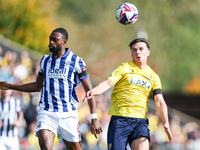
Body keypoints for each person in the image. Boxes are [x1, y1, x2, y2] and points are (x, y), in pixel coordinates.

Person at [0, 28, 102, 150]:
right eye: (50, 39)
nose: (51, 42)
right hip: (47, 113)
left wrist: (94, 118)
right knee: (45, 148)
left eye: (55, 40)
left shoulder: (76, 61)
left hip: (68, 114)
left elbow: (89, 91)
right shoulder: (45, 61)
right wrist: (10, 86)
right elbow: (38, 86)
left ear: (64, 42)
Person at [83, 38, 173, 150]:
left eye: (141, 49)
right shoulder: (124, 68)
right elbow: (108, 83)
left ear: (148, 52)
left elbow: (159, 101)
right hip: (120, 120)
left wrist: (166, 123)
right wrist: (94, 91)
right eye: (134, 50)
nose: (138, 52)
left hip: (140, 122)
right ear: (131, 53)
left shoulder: (154, 77)